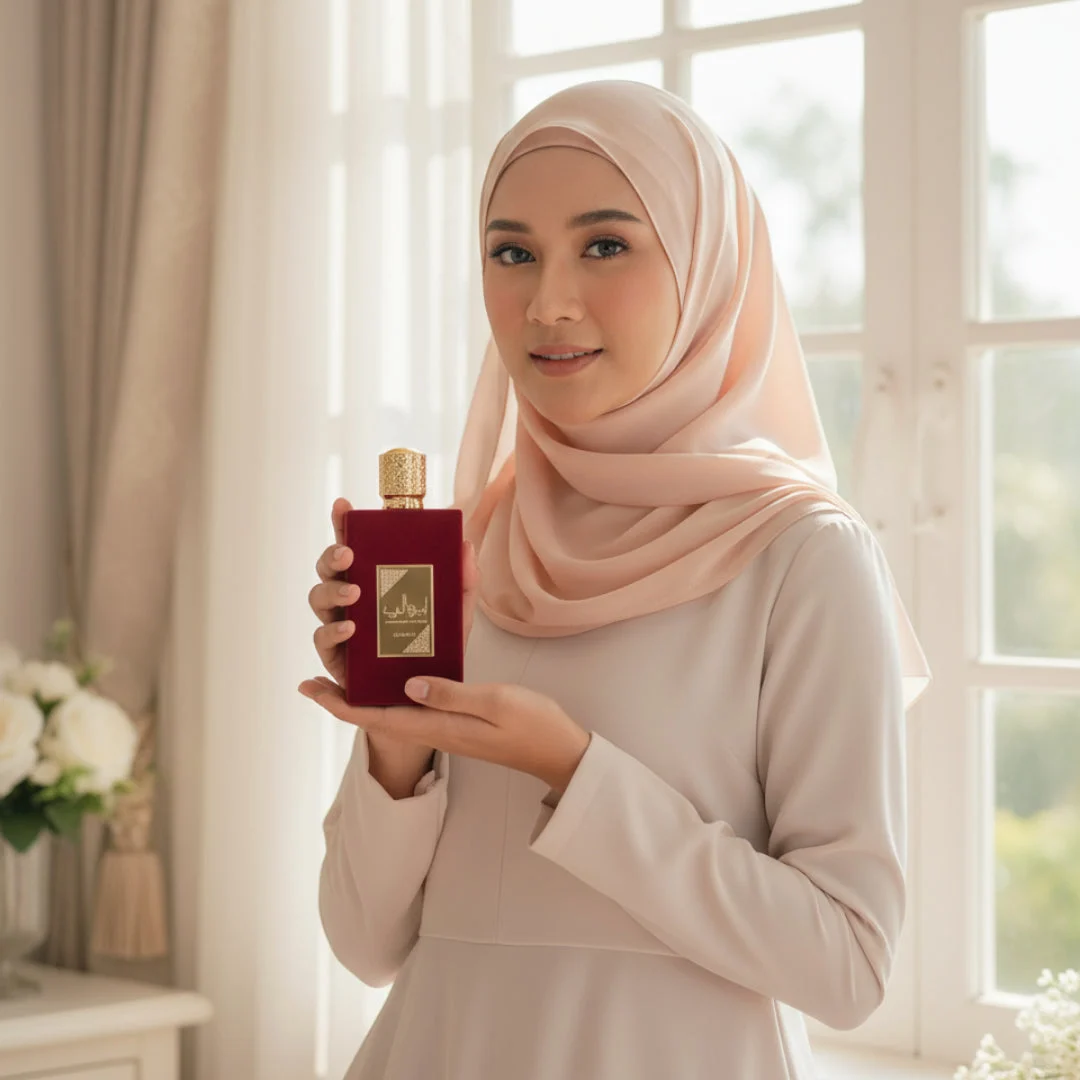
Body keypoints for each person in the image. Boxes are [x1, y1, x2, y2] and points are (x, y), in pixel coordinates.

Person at [300, 80, 932, 1080]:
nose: (547, 302)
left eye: (605, 245)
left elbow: (848, 963)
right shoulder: (471, 543)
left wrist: (577, 772)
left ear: (705, 263)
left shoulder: (803, 554)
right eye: (511, 253)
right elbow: (364, 945)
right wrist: (392, 742)